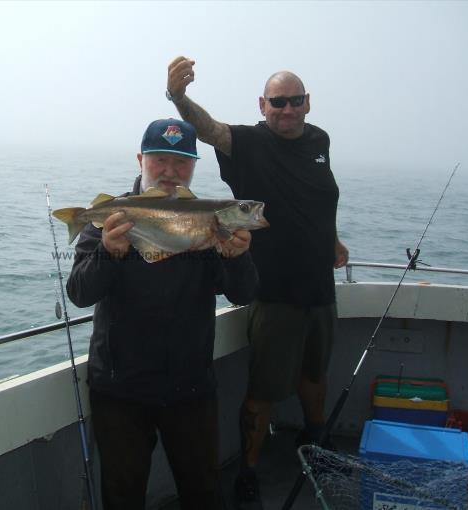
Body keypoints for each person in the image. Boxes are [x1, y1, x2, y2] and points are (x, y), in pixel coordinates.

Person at [165, 57, 349, 508]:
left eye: (296, 100)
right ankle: (249, 470)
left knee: (315, 375)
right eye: (278, 102)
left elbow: (317, 196)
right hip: (274, 294)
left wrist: (334, 240)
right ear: (262, 105)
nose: (287, 109)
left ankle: (316, 442)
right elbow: (207, 128)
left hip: (320, 290)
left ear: (307, 103)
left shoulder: (319, 140)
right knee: (262, 392)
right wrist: (178, 97)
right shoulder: (245, 143)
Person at [66, 118, 259, 510]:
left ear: (194, 166)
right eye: (160, 160)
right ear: (140, 160)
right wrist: (109, 254)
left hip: (190, 385)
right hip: (120, 388)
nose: (170, 171)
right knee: (122, 495)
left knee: (204, 492)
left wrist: (238, 258)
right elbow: (80, 293)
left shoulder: (209, 220)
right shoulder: (111, 215)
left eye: (182, 162)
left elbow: (244, 293)